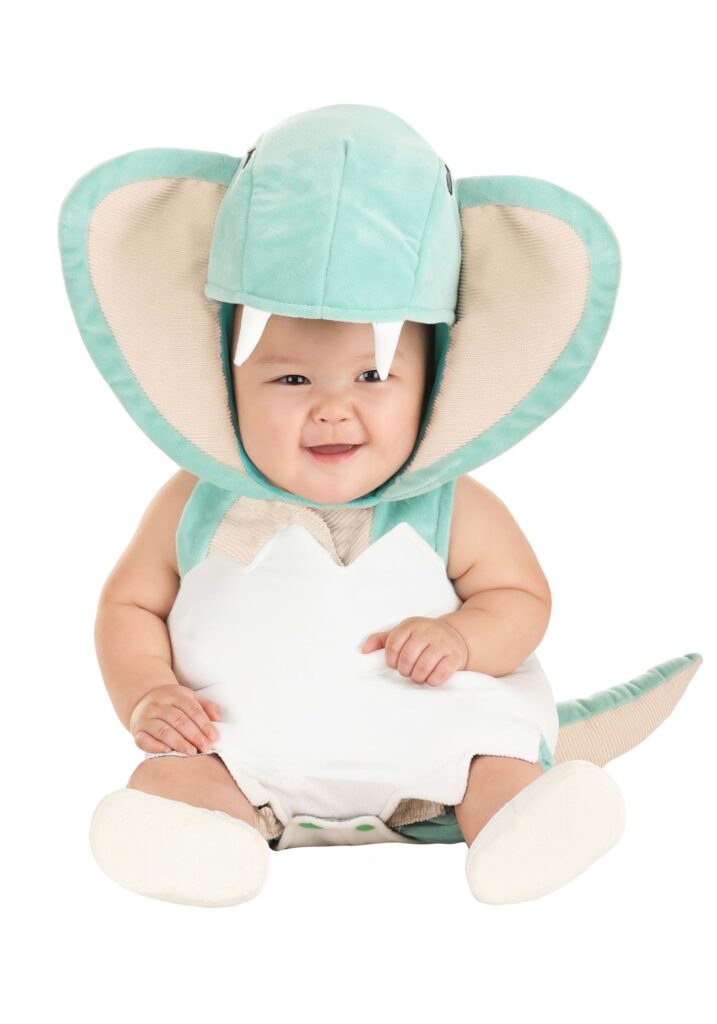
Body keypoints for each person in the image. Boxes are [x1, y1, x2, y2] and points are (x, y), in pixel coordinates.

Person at [89, 304, 625, 908]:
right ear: (227, 391)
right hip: (238, 756)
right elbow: (130, 604)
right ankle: (199, 845)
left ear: (431, 390)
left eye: (372, 376)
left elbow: (520, 597)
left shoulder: (450, 503)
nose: (332, 408)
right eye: (292, 379)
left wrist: (463, 637)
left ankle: (523, 826)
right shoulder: (197, 500)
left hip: (441, 753)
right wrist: (147, 692)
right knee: (172, 775)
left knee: (498, 760)